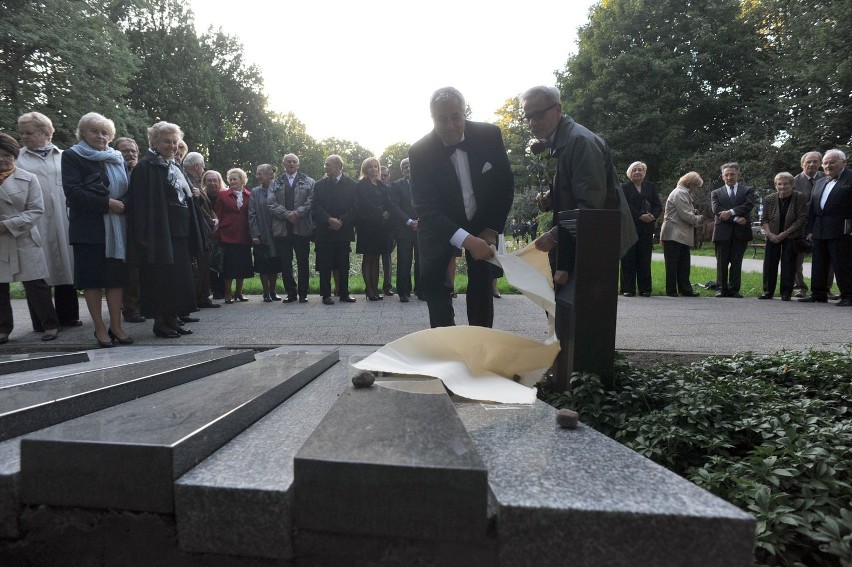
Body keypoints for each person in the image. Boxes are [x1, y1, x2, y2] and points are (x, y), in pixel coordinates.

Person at [409, 87, 514, 327]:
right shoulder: (419, 152)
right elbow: (425, 207)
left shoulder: (490, 135)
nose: (450, 125)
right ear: (432, 117)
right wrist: (466, 240)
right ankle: (446, 345)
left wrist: (489, 230)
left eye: (456, 117)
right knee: (433, 283)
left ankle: (479, 343)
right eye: (442, 119)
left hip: (482, 221)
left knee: (481, 283)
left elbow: (504, 186)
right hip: (440, 225)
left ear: (464, 113)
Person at [524, 85, 636, 286]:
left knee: (583, 314)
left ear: (558, 109)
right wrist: (554, 195)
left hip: (594, 245)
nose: (533, 122)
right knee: (566, 313)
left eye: (538, 115)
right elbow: (578, 188)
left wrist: (555, 236)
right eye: (528, 117)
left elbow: (591, 208)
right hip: (582, 242)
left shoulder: (580, 141)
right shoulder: (562, 139)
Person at [62, 112, 131, 347]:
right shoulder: (72, 156)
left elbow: (128, 190)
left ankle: (116, 326)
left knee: (115, 280)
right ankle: (100, 329)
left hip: (117, 230)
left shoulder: (117, 157)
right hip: (88, 230)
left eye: (105, 132)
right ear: (83, 133)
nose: (100, 136)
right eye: (94, 131)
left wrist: (124, 205)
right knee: (92, 281)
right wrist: (106, 204)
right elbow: (73, 192)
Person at [129, 121, 202, 338]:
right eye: (166, 141)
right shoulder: (145, 167)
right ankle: (160, 323)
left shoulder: (174, 165)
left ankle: (173, 319)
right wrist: (142, 235)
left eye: (174, 141)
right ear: (154, 141)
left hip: (179, 232)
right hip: (159, 233)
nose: (171, 146)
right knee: (160, 279)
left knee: (178, 279)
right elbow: (139, 202)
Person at [16, 112, 80, 328]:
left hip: (63, 218)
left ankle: (69, 316)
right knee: (36, 269)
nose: (24, 137)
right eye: (22, 133)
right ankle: (42, 321)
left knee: (65, 262)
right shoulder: (18, 159)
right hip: (34, 221)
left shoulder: (64, 156)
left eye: (29, 132)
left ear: (46, 133)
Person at [0, 133, 60, 343]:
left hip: (24, 237)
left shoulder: (28, 178)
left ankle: (50, 324)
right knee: (0, 287)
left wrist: (7, 225)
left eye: (6, 154)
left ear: (14, 155)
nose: (1, 159)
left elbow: (36, 210)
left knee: (36, 285)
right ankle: (3, 328)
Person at [799, 149, 851, 306]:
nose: (828, 165)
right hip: (820, 229)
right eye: (826, 163)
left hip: (842, 229)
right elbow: (813, 209)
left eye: (832, 162)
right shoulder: (820, 182)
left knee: (842, 263)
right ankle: (818, 293)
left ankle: (848, 295)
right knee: (819, 263)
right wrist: (810, 230)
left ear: (844, 162)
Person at [311, 155, 358, 305]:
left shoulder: (352, 185)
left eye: (328, 164)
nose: (325, 167)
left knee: (343, 264)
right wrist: (328, 219)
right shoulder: (319, 185)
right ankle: (326, 295)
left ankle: (344, 293)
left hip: (343, 231)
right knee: (325, 264)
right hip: (325, 231)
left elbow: (356, 207)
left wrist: (342, 221)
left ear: (338, 165)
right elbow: (315, 207)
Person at [268, 154, 314, 303]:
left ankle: (303, 293)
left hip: (302, 228)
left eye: (295, 162)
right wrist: (287, 214)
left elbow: (311, 201)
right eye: (289, 161)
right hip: (282, 228)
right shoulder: (275, 183)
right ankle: (291, 293)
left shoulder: (309, 181)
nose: (292, 164)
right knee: (286, 263)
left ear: (298, 165)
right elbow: (271, 203)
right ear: (284, 164)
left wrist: (298, 213)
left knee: (303, 262)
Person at [759, 172, 808, 301]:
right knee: (769, 264)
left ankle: (786, 292)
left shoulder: (800, 197)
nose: (782, 186)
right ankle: (768, 291)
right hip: (772, 235)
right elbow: (764, 219)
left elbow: (801, 218)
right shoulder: (769, 198)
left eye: (786, 183)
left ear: (792, 184)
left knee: (788, 264)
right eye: (779, 184)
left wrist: (785, 233)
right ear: (775, 185)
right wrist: (769, 234)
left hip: (791, 235)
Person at [710, 163, 756, 298]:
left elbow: (748, 205)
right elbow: (716, 210)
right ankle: (721, 289)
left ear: (738, 175)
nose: (729, 177)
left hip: (740, 232)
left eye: (732, 174)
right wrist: (735, 219)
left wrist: (730, 212)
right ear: (722, 177)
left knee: (736, 262)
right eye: (726, 175)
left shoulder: (747, 190)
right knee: (721, 262)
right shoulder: (716, 193)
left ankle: (734, 289)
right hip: (722, 232)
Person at [113, 136, 145, 323]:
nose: (130, 154)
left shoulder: (142, 170)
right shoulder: (115, 170)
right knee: (130, 270)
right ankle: (131, 309)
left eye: (133, 151)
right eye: (125, 151)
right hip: (121, 223)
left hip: (141, 225)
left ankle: (143, 305)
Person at [658, 172, 706, 297]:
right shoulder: (680, 193)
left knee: (683, 263)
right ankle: (672, 290)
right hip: (674, 233)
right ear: (690, 184)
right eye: (695, 186)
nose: (696, 189)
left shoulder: (682, 192)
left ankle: (684, 289)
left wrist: (693, 212)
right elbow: (685, 215)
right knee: (673, 264)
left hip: (679, 233)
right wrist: (700, 218)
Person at [620, 161, 662, 297]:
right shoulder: (624, 187)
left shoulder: (650, 187)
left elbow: (657, 205)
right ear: (630, 173)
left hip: (646, 228)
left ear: (644, 173)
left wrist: (652, 216)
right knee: (629, 258)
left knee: (644, 258)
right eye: (634, 170)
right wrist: (639, 216)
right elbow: (624, 205)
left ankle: (645, 288)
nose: (637, 172)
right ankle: (628, 288)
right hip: (629, 227)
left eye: (640, 170)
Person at [183, 152, 220, 309]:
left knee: (204, 264)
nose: (203, 167)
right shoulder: (188, 181)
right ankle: (199, 298)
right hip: (198, 229)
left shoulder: (194, 181)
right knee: (200, 264)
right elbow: (196, 207)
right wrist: (209, 220)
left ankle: (203, 297)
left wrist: (214, 218)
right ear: (197, 166)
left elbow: (206, 206)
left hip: (204, 228)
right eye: (203, 165)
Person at [214, 168, 253, 304]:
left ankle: (239, 292)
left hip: (244, 234)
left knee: (242, 265)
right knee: (229, 265)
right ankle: (228, 292)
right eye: (230, 179)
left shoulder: (249, 195)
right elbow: (217, 215)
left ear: (242, 180)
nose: (231, 181)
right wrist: (216, 233)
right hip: (228, 234)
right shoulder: (222, 195)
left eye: (235, 179)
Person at [355, 157, 392, 301]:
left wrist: (388, 212)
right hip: (367, 226)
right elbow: (365, 203)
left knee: (376, 257)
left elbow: (388, 201)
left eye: (376, 166)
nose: (374, 169)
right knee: (368, 256)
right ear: (365, 169)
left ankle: (376, 288)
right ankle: (369, 288)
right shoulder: (361, 185)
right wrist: (380, 213)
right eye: (370, 167)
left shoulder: (381, 185)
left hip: (381, 227)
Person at [792, 151, 827, 298]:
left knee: (825, 258)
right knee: (796, 258)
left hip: (821, 224)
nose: (812, 164)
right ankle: (799, 287)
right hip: (800, 224)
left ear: (820, 164)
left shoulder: (827, 179)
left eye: (815, 161)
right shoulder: (793, 181)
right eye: (808, 162)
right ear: (802, 164)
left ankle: (824, 288)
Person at [388, 157, 418, 302]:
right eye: (404, 166)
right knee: (404, 261)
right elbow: (394, 206)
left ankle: (421, 290)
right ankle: (404, 292)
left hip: (422, 228)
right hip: (404, 229)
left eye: (410, 165)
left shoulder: (423, 184)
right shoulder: (396, 185)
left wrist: (421, 221)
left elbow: (428, 203)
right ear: (401, 170)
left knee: (421, 261)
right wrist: (409, 221)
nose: (407, 168)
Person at [249, 163, 280, 302]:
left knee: (275, 263)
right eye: (257, 173)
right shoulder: (255, 192)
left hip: (277, 232)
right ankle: (265, 292)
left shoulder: (279, 189)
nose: (258, 176)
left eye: (260, 173)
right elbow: (251, 214)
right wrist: (255, 234)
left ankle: (273, 291)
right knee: (263, 263)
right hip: (261, 232)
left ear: (270, 174)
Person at [202, 170, 226, 299]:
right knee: (209, 263)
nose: (211, 183)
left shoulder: (225, 195)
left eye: (214, 180)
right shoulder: (201, 195)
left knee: (223, 262)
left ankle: (223, 290)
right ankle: (212, 289)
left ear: (219, 181)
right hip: (207, 234)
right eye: (208, 181)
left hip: (224, 233)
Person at [379, 165, 395, 296]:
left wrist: (389, 212)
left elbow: (395, 204)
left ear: (389, 176)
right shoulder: (372, 187)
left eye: (386, 175)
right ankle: (372, 286)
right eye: (381, 175)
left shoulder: (392, 188)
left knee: (387, 257)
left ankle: (387, 286)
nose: (383, 177)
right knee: (371, 258)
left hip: (389, 227)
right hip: (374, 226)